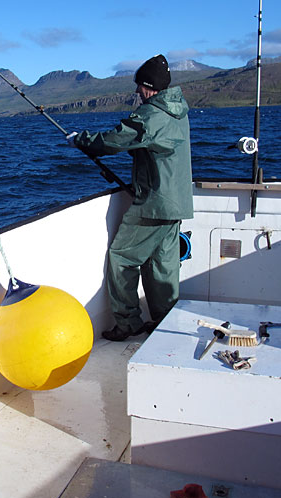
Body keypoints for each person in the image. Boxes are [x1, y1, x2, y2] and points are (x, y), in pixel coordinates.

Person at [68, 54, 193, 341]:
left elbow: (115, 140)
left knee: (122, 257)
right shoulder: (178, 112)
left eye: (140, 86)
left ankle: (128, 323)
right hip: (177, 202)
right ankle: (164, 323)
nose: (137, 91)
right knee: (161, 265)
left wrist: (80, 140)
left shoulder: (152, 115)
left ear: (150, 87)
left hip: (154, 203)